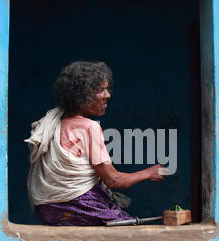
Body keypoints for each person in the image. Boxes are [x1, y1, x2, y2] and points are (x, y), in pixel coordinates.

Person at [25, 61, 166, 226]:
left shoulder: (50, 124)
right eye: (100, 90)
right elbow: (113, 180)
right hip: (81, 207)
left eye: (107, 89)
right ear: (81, 95)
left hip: (48, 211)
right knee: (128, 228)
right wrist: (149, 172)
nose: (108, 95)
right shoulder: (89, 127)